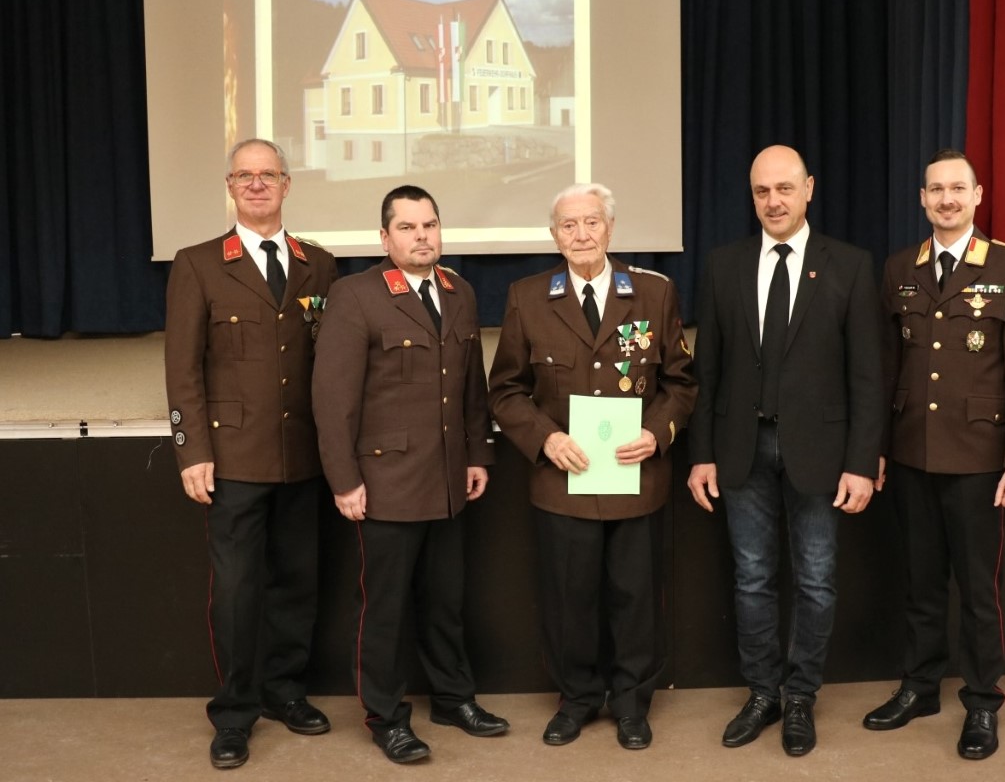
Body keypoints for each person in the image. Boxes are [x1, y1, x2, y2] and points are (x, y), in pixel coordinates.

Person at [687, 145, 884, 757]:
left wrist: (862, 461)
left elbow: (868, 376)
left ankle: (800, 696)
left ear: (809, 189)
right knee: (752, 579)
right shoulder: (723, 265)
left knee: (817, 581)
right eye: (761, 191)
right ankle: (762, 693)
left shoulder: (849, 266)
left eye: (784, 189)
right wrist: (701, 452)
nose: (773, 201)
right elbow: (707, 371)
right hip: (740, 449)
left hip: (821, 453)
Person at [488, 182, 696, 750]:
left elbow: (681, 383)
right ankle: (576, 698)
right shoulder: (528, 297)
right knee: (568, 599)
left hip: (636, 478)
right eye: (568, 225)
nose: (581, 234)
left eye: (592, 222)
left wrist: (657, 433)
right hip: (564, 478)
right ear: (554, 235)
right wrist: (545, 439)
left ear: (610, 228)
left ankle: (631, 703)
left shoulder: (653, 292)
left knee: (635, 599)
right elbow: (505, 390)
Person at [311, 185, 507, 765]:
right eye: (407, 227)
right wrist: (343, 479)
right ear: (384, 237)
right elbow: (332, 400)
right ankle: (386, 717)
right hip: (385, 483)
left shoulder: (459, 291)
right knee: (385, 610)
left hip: (446, 479)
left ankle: (452, 699)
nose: (422, 236)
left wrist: (478, 454)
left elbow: (470, 386)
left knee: (446, 602)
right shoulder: (356, 295)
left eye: (430, 225)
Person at [863, 149, 1005, 760]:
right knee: (919, 584)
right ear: (922, 199)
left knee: (977, 592)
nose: (946, 199)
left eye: (957, 189)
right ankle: (919, 687)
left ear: (977, 195)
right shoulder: (900, 269)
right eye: (936, 189)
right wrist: (878, 449)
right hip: (912, 453)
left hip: (980, 459)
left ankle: (983, 701)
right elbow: (887, 367)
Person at [164, 138, 338, 769]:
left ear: (287, 184)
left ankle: (285, 692)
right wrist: (191, 450)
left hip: (303, 454)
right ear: (231, 187)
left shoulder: (320, 264)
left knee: (297, 584)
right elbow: (182, 367)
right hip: (233, 457)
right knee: (238, 593)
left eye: (268, 175)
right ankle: (235, 713)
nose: (257, 184)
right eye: (245, 176)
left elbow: (330, 364)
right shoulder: (199, 263)